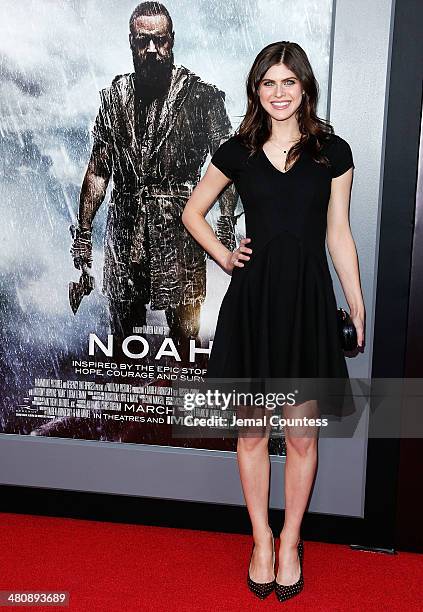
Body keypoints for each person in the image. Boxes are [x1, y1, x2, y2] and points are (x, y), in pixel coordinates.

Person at [182, 41, 365, 601]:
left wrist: (356, 303)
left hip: (308, 305)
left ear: (305, 86)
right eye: (269, 82)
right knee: (252, 431)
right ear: (256, 90)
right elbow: (193, 211)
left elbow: (338, 232)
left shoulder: (332, 152)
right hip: (254, 304)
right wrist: (222, 254)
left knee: (303, 438)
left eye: (289, 81)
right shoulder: (237, 150)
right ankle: (260, 540)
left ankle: (291, 542)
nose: (279, 92)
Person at [70, 1, 238, 360]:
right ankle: (127, 410)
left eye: (159, 41)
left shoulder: (202, 97)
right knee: (122, 338)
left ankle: (180, 407)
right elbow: (100, 169)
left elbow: (228, 165)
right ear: (131, 43)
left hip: (181, 225)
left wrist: (225, 223)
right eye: (142, 42)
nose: (151, 50)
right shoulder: (115, 99)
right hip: (126, 225)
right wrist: (84, 232)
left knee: (185, 339)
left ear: (171, 40)